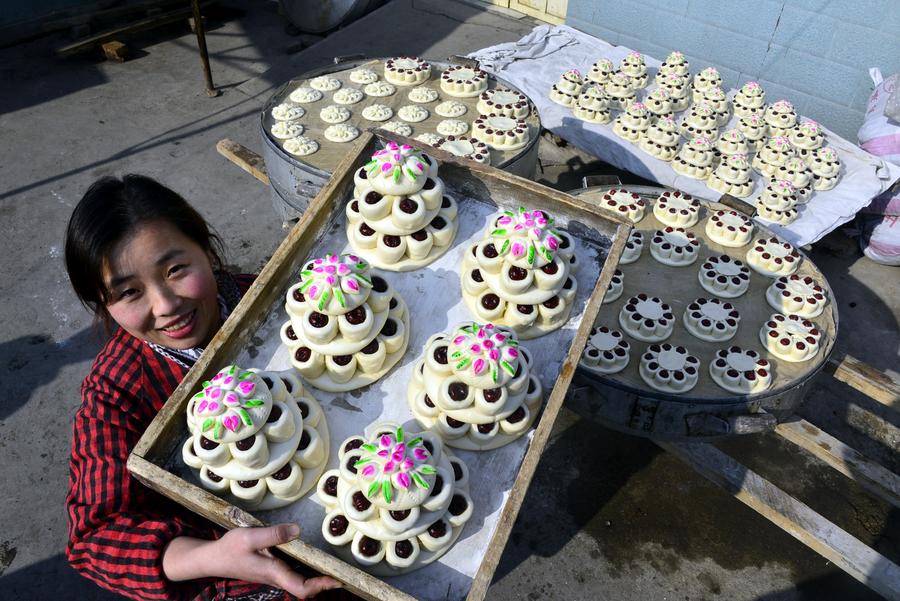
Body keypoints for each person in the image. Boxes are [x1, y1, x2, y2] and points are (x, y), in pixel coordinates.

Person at [64, 174, 345, 601]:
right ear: (103, 305)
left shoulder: (282, 298)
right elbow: (95, 538)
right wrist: (211, 557)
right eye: (129, 293)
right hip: (239, 579)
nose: (165, 305)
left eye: (175, 269)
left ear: (206, 249)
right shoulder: (116, 392)